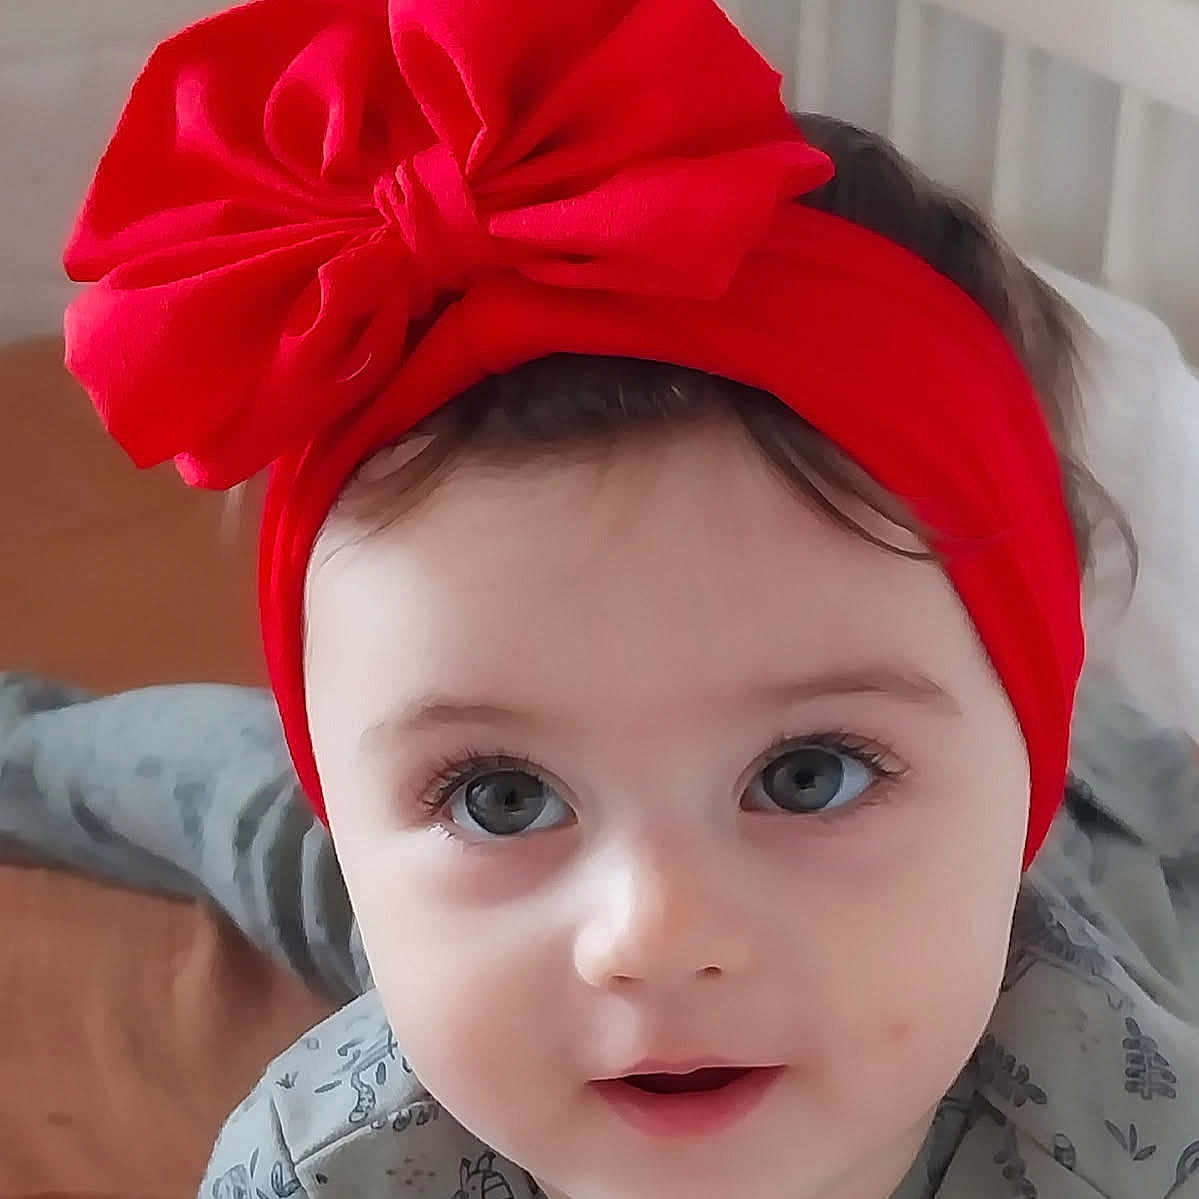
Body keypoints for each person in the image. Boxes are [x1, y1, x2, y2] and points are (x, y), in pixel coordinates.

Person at [57, 0, 1198, 1196]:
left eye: (808, 773)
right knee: (219, 796)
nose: (653, 936)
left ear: (1019, 766)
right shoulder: (326, 1169)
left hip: (1099, 824)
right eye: (499, 796)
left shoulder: (1134, 1140)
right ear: (341, 796)